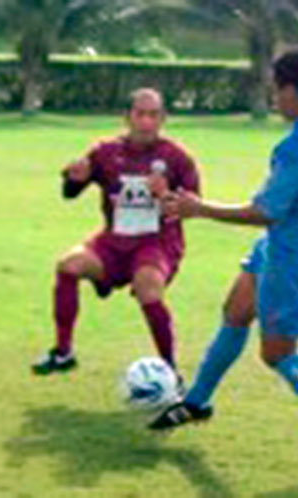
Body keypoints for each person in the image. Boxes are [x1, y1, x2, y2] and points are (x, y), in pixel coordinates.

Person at [149, 48, 298, 469]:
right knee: (235, 310)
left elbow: (264, 212)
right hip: (295, 235)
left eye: (275, 90)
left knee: (278, 352)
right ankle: (197, 402)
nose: (273, 99)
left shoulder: (297, 148)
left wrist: (199, 209)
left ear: (292, 89)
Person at [32, 88, 200, 388]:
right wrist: (74, 178)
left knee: (148, 288)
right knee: (68, 265)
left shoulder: (177, 158)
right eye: (140, 113)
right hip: (113, 242)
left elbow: (192, 208)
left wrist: (164, 195)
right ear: (127, 117)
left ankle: (170, 371)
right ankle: (63, 352)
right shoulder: (106, 152)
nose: (146, 121)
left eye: (153, 115)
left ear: (163, 119)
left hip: (157, 242)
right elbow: (69, 193)